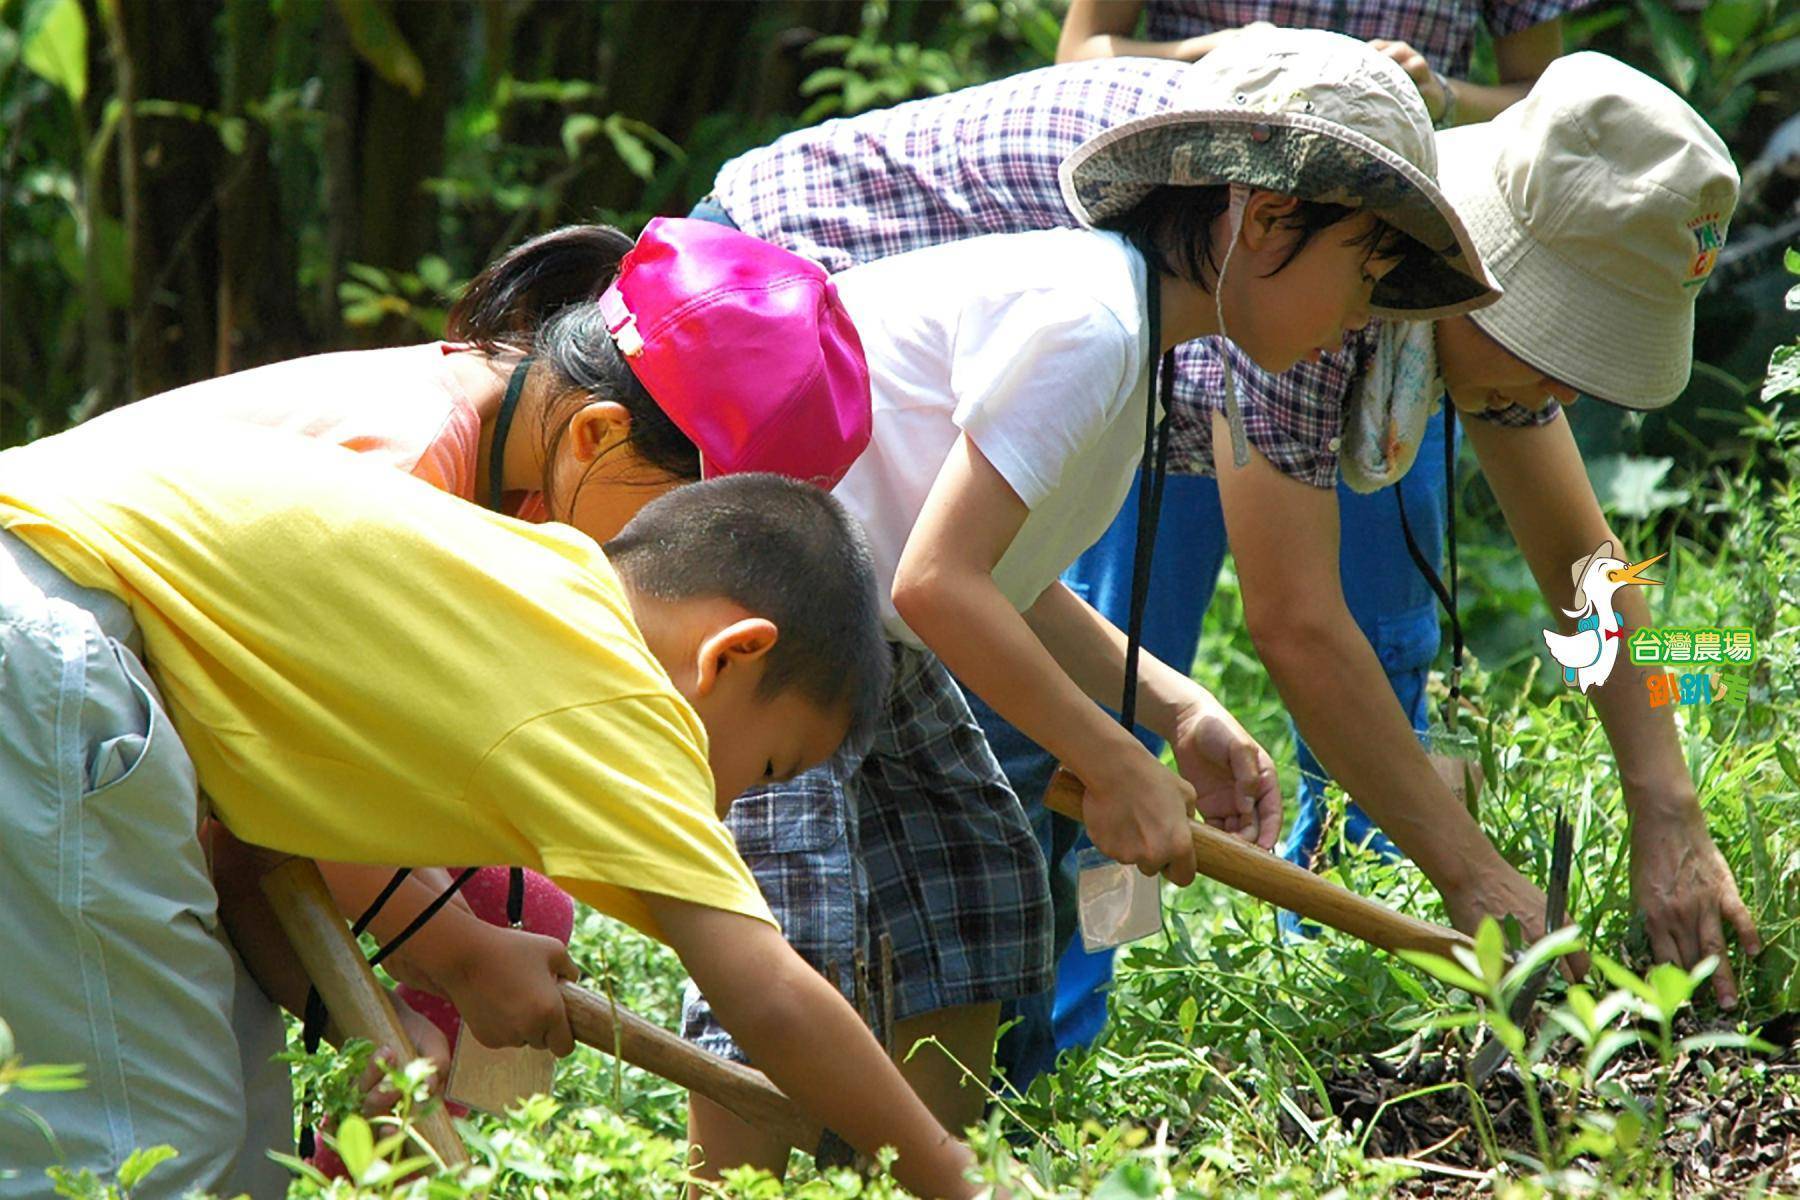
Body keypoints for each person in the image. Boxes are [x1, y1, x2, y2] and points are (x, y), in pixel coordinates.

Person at [693, 26, 1756, 1092]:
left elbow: (1591, 570)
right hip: (768, 326)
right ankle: (915, 1096)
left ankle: (955, 1115)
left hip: (936, 464)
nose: (1562, 397)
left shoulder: (1393, 284)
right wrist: (1477, 882)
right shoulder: (1319, 260)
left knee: (980, 810)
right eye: (1561, 351)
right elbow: (1296, 626)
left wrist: (1667, 802)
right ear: (1496, 287)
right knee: (915, 801)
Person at [0, 415, 1002, 1199]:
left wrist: (440, 967)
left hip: (63, 610)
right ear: (732, 654)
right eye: (771, 767)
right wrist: (961, 1186)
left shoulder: (529, 596)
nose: (739, 803)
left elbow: (253, 848)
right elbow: (769, 997)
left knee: (238, 1145)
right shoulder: (619, 693)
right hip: (51, 635)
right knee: (144, 1154)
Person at [78, 216, 877, 1187]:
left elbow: (266, 801)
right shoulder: (409, 465)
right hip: (72, 709)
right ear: (599, 434)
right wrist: (449, 950)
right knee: (163, 1154)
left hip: (121, 741)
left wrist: (394, 986)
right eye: (697, 529)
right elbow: (254, 786)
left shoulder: (504, 461)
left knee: (241, 1139)